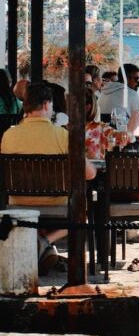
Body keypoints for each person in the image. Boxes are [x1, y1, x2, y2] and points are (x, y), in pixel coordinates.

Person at [1, 81, 96, 273]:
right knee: (82, 213)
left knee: (39, 221)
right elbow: (89, 174)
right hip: (55, 203)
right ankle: (45, 242)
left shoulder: (8, 135)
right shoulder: (62, 135)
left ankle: (45, 251)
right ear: (46, 105)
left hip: (17, 203)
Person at [85, 86, 130, 159]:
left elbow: (125, 137)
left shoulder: (65, 129)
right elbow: (127, 138)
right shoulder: (101, 128)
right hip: (96, 168)